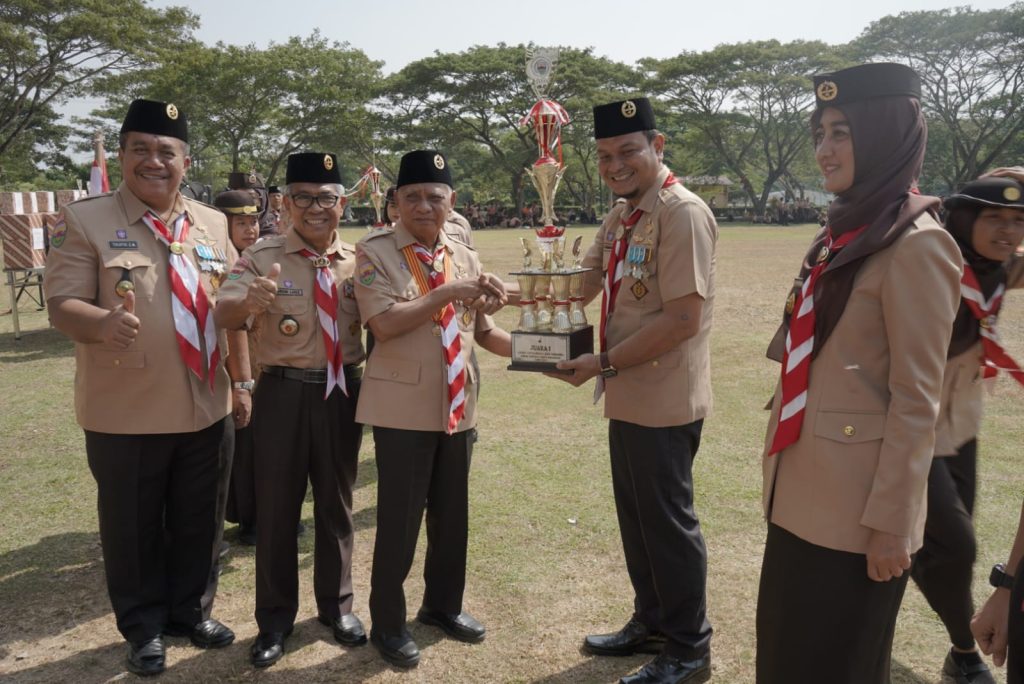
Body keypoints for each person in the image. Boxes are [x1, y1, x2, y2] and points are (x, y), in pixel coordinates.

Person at [756, 63, 962, 684]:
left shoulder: (916, 243)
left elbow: (917, 400)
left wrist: (893, 528)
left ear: (885, 132)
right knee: (786, 660)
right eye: (820, 132)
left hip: (859, 520)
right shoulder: (844, 231)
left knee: (839, 666)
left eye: (842, 131)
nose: (824, 149)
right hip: (800, 493)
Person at [44, 98, 236, 677]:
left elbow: (225, 292)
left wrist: (247, 305)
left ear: (185, 160)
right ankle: (144, 625)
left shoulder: (213, 221)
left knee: (201, 518)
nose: (154, 161)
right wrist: (100, 323)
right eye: (141, 150)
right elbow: (61, 305)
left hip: (207, 399)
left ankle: (190, 611)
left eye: (166, 152)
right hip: (126, 408)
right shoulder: (86, 219)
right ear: (123, 155)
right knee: (131, 526)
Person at [551, 97, 717, 684]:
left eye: (627, 151)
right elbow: (586, 282)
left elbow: (681, 320)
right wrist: (525, 293)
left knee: (668, 525)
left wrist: (601, 363)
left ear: (657, 146)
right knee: (640, 519)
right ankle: (651, 620)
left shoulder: (681, 212)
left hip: (664, 397)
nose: (615, 165)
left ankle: (689, 647)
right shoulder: (625, 213)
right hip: (628, 394)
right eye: (603, 156)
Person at [353, 149, 511, 669]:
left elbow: (482, 332)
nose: (424, 206)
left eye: (435, 197)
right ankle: (389, 624)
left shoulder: (464, 256)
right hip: (402, 409)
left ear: (452, 203)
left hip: (458, 404)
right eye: (413, 196)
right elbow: (384, 324)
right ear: (395, 201)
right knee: (399, 521)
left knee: (452, 516)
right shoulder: (375, 251)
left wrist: (547, 354)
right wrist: (447, 291)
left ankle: (443, 606)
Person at [214, 152, 367, 668]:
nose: (316, 207)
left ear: (343, 202)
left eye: (327, 197)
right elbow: (223, 312)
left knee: (336, 504)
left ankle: (337, 607)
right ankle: (274, 621)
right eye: (303, 196)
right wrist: (250, 301)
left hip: (344, 389)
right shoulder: (261, 255)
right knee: (277, 510)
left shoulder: (360, 259)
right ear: (284, 203)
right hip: (282, 391)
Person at [911, 175, 1024, 684]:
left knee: (945, 538)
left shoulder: (1000, 264)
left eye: (1018, 220)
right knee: (956, 545)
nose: (1008, 230)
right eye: (994, 217)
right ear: (962, 219)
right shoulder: (933, 261)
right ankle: (963, 650)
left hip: (959, 414)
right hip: (912, 416)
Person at [214, 190, 261, 547]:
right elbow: (233, 326)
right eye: (240, 223)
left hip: (258, 367)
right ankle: (251, 521)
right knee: (244, 450)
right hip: (232, 371)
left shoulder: (254, 257)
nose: (250, 229)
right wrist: (241, 381)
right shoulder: (227, 260)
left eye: (254, 221)